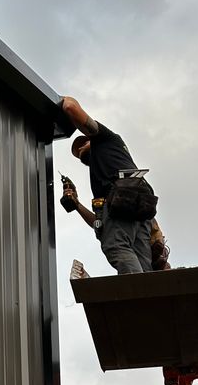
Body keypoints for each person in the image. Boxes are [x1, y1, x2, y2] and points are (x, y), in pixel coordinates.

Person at [59, 95, 167, 276]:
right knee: (142, 263)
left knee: (117, 247)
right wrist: (76, 205)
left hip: (128, 202)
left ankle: (136, 290)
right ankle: (146, 291)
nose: (80, 150)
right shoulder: (106, 173)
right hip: (139, 209)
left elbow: (70, 107)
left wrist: (61, 100)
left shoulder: (106, 139)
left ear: (91, 139)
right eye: (77, 153)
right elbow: (103, 226)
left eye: (83, 143)